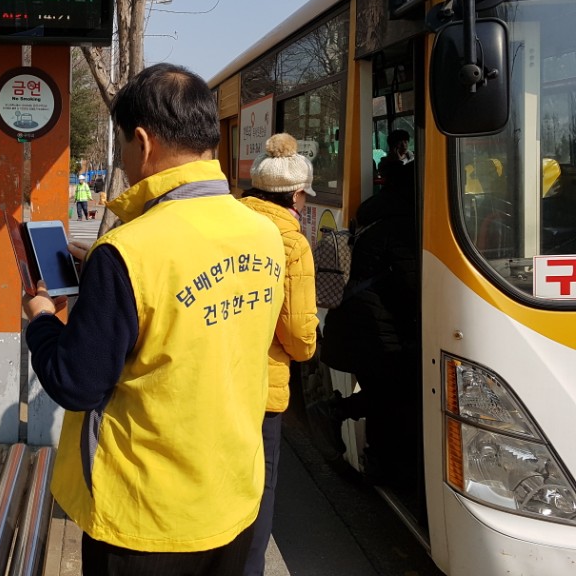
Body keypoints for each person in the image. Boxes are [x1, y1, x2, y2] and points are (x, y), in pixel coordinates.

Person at [23, 63, 286, 575]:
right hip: (233, 494)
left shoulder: (128, 251)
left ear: (141, 143)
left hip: (146, 518)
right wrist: (101, 271)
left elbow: (77, 383)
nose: (123, 159)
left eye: (122, 145)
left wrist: (40, 319)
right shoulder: (262, 232)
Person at [238, 133, 318, 576]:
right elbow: (301, 339)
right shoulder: (292, 242)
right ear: (297, 194)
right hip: (263, 391)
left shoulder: (229, 220)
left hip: (218, 378)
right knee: (260, 491)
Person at [310, 159, 419, 481]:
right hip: (376, 332)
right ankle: (337, 414)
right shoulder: (402, 225)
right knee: (395, 395)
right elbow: (412, 282)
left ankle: (380, 464)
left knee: (386, 399)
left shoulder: (374, 215)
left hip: (356, 325)